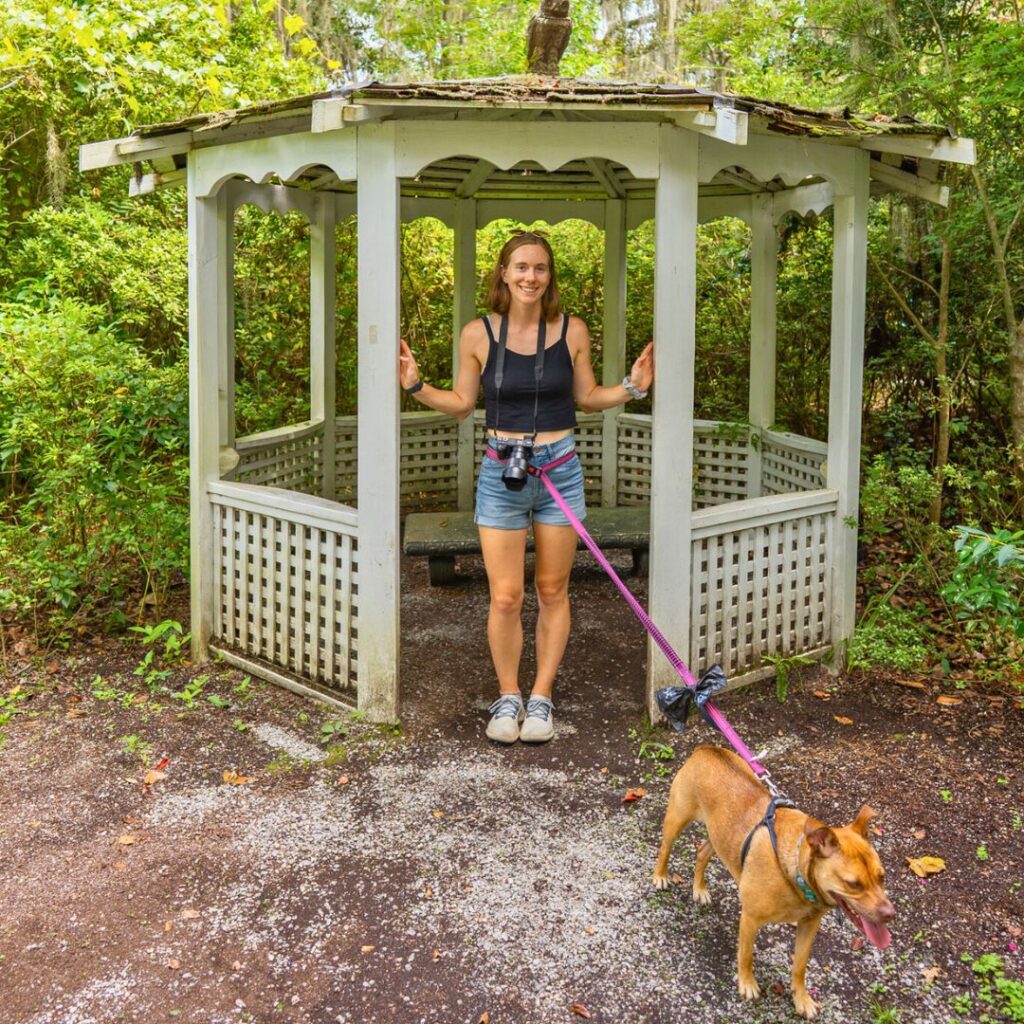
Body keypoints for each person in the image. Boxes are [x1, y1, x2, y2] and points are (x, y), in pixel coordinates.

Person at [398, 230, 654, 744]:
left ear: (548, 275)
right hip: (501, 471)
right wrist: (416, 386)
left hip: (559, 467)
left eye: (539, 268)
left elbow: (586, 396)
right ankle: (508, 695)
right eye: (520, 267)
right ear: (503, 273)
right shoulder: (478, 334)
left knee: (553, 589)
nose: (530, 277)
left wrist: (632, 387)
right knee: (507, 596)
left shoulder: (571, 330)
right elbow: (462, 403)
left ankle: (541, 698)